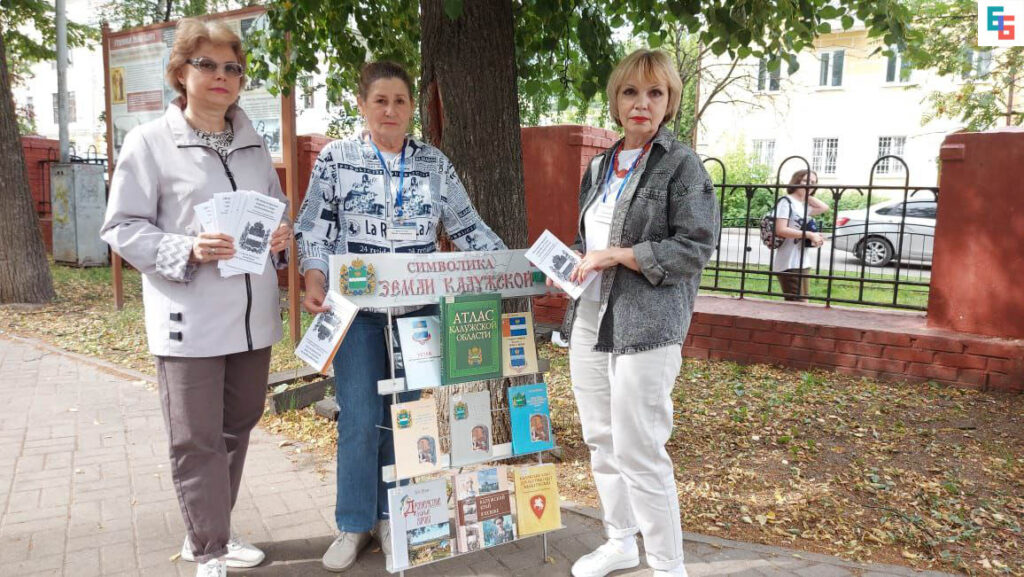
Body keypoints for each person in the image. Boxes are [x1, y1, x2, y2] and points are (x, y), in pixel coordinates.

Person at [294, 60, 506, 572]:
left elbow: (467, 226)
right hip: (356, 314)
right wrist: (314, 277)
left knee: (405, 417)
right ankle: (353, 523)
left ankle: (394, 517)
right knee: (359, 417)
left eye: (400, 101)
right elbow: (314, 228)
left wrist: (516, 267)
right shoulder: (336, 159)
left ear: (412, 108)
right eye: (380, 101)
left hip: (418, 315)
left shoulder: (434, 163)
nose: (390, 110)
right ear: (362, 105)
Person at [100, 18, 292, 577]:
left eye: (232, 67)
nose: (221, 75)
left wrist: (281, 237)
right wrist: (187, 248)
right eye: (207, 64)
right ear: (180, 73)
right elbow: (121, 227)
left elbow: (276, 209)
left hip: (253, 320)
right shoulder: (149, 143)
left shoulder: (253, 143)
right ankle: (209, 548)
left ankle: (209, 530)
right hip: (189, 321)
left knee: (238, 425)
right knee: (195, 438)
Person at [553, 49, 719, 577]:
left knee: (639, 447)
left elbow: (695, 247)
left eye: (654, 93)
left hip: (647, 325)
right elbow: (587, 240)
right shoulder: (600, 166)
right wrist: (569, 263)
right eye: (630, 92)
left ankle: (669, 566)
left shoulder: (682, 165)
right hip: (590, 317)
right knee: (601, 439)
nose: (641, 103)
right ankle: (621, 541)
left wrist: (620, 255)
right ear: (616, 100)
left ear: (670, 102)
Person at [772, 169, 828, 302]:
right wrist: (809, 234)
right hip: (789, 262)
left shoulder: (802, 206)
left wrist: (807, 194)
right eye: (805, 181)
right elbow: (780, 229)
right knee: (797, 304)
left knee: (803, 303)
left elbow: (824, 208)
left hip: (802, 262)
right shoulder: (786, 202)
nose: (810, 184)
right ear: (796, 181)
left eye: (813, 183)